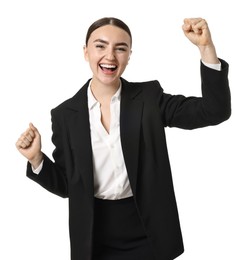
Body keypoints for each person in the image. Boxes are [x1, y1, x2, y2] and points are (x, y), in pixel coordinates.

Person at [16, 17, 231, 260]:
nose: (110, 56)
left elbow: (214, 111)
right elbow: (69, 186)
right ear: (86, 52)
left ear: (129, 55)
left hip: (148, 232)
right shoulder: (65, 115)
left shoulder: (149, 98)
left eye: (120, 48)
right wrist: (36, 159)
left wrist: (206, 48)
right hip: (94, 236)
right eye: (100, 46)